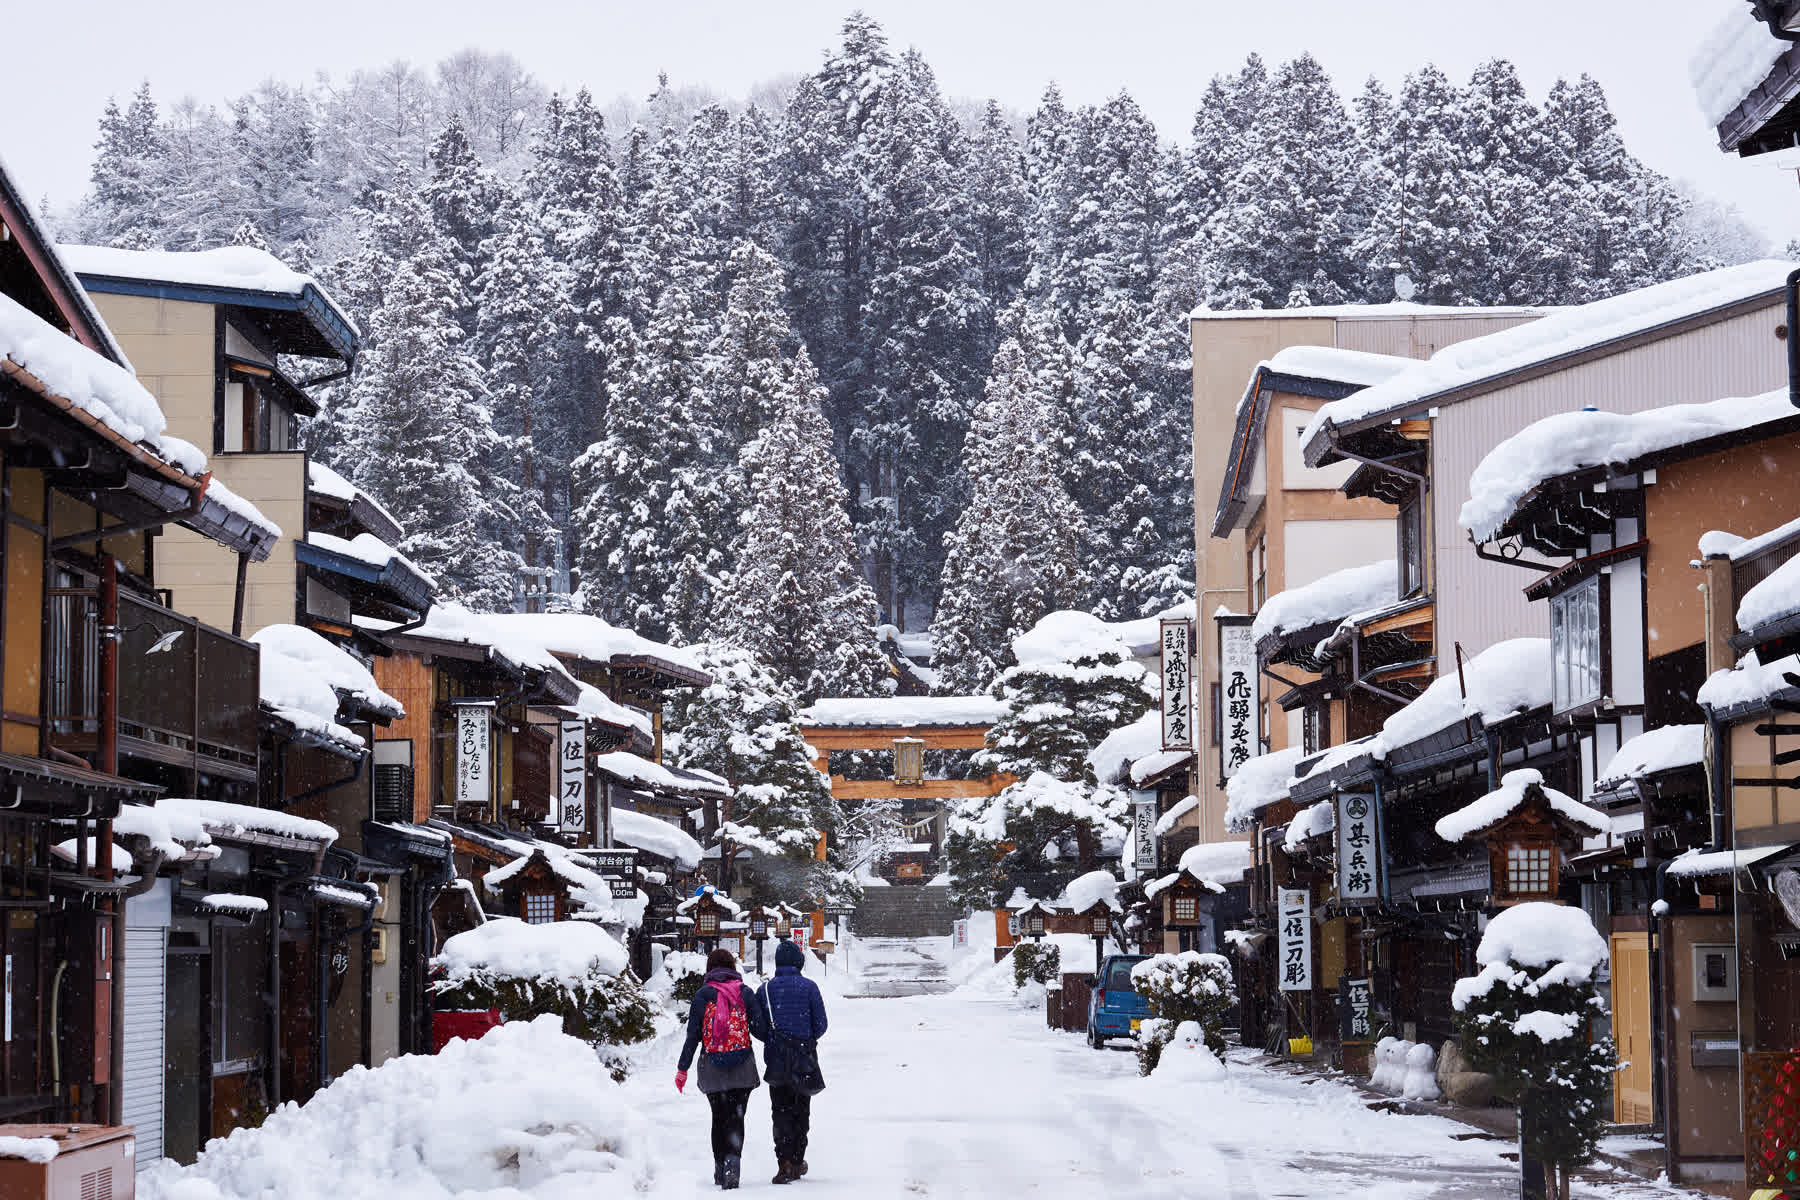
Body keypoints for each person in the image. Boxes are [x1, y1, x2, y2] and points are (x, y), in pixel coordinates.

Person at [676, 948, 768, 1190]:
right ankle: (732, 1167)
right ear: (732, 967)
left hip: (712, 1067)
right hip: (742, 1067)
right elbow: (760, 1031)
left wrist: (682, 1069)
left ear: (710, 969)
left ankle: (719, 1168)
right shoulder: (744, 993)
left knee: (719, 1119)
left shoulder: (703, 995)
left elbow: (693, 1036)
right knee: (736, 1118)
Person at [757, 937, 828, 1185]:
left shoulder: (764, 990)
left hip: (776, 1061)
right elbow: (821, 1025)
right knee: (801, 1110)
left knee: (780, 1111)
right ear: (798, 962)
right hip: (803, 1060)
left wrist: (774, 1039)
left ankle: (783, 1161)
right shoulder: (809, 987)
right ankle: (798, 1161)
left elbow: (757, 1026)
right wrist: (803, 1040)